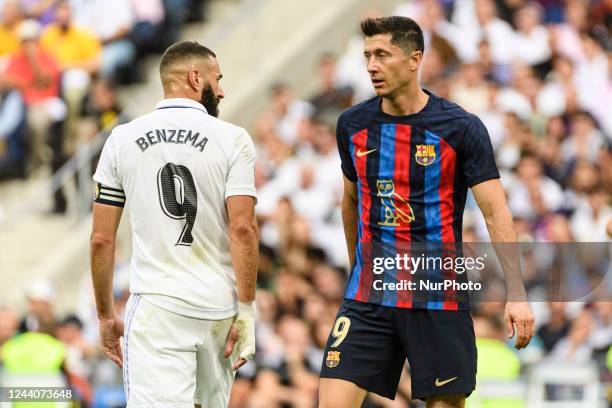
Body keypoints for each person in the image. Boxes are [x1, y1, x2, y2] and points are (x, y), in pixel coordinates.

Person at [318, 17, 534, 408]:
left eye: (382, 55)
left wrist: (516, 293)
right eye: (367, 55)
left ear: (415, 59)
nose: (371, 66)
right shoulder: (352, 125)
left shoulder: (461, 128)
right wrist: (356, 272)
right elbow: (351, 201)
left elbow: (496, 212)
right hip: (370, 296)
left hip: (437, 294)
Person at [90, 41, 258, 407]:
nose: (223, 89)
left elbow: (102, 239)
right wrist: (247, 311)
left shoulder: (121, 139)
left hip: (158, 306)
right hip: (218, 307)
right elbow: (242, 229)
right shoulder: (233, 139)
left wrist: (105, 315)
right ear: (196, 79)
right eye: (219, 78)